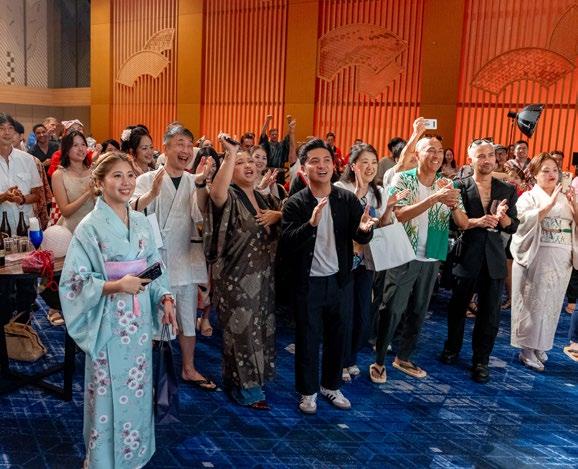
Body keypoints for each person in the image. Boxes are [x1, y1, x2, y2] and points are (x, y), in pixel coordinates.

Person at [59, 151, 178, 469]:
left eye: (130, 175)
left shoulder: (140, 221)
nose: (126, 182)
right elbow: (73, 283)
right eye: (117, 176)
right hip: (107, 323)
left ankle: (133, 457)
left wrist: (165, 297)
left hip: (138, 323)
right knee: (106, 394)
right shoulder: (89, 227)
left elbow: (155, 265)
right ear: (99, 182)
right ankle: (100, 460)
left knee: (137, 389)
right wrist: (115, 285)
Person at [281, 138, 376, 414]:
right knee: (308, 338)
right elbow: (287, 242)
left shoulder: (346, 199)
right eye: (314, 161)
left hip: (339, 281)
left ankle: (331, 386)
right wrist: (311, 224)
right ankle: (307, 391)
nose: (322, 166)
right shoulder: (295, 203)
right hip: (307, 283)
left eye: (326, 160)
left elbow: (360, 235)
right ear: (303, 169)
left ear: (334, 166)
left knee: (338, 336)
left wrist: (365, 230)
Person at [370, 135, 468, 384]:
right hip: (404, 253)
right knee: (392, 308)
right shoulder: (403, 179)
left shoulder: (447, 183)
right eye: (430, 150)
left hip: (432, 255)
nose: (437, 155)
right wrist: (434, 198)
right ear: (417, 154)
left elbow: (462, 222)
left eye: (440, 151)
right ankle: (379, 360)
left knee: (419, 310)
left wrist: (454, 205)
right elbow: (400, 214)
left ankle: (403, 357)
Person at [132, 125, 216, 391]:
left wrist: (201, 182)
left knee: (187, 318)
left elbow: (203, 213)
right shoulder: (147, 179)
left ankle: (188, 368)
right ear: (165, 147)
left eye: (189, 145)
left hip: (185, 257)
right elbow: (131, 210)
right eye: (180, 143)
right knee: (153, 318)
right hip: (154, 259)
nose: (185, 150)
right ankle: (148, 372)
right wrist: (152, 194)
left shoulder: (194, 180)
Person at [203, 134, 281, 409]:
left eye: (250, 161)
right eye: (240, 163)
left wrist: (279, 215)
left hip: (264, 278)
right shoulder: (230, 197)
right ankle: (246, 389)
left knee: (261, 330)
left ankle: (247, 380)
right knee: (241, 333)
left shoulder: (264, 198)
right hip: (236, 278)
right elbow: (216, 194)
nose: (247, 165)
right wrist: (230, 155)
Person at [440, 139, 519, 383]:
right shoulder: (459, 186)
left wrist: (503, 218)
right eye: (481, 156)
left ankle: (481, 360)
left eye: (490, 155)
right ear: (470, 160)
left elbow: (513, 226)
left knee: (490, 313)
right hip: (466, 254)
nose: (486, 160)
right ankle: (452, 347)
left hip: (494, 258)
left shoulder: (506, 189)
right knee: (457, 307)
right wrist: (476, 222)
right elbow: (451, 222)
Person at [334, 143, 408, 382]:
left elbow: (384, 225)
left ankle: (351, 358)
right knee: (344, 314)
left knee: (363, 315)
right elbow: (336, 221)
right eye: (364, 162)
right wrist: (357, 192)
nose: (370, 167)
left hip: (367, 261)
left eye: (373, 162)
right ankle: (340, 362)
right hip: (345, 260)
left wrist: (389, 208)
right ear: (353, 165)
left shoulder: (379, 192)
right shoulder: (340, 188)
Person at [510, 153, 578, 372]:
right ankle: (527, 349)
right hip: (539, 251)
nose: (551, 174)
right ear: (534, 174)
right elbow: (522, 222)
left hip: (563, 254)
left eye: (555, 170)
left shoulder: (565, 196)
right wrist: (549, 205)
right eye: (545, 170)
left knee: (553, 302)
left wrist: (574, 204)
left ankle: (540, 345)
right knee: (534, 301)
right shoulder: (528, 197)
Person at [51, 131, 95, 233]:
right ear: (66, 150)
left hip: (95, 227)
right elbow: (65, 211)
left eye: (83, 144)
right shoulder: (59, 175)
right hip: (72, 229)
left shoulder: (94, 171)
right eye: (75, 145)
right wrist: (88, 193)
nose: (81, 149)